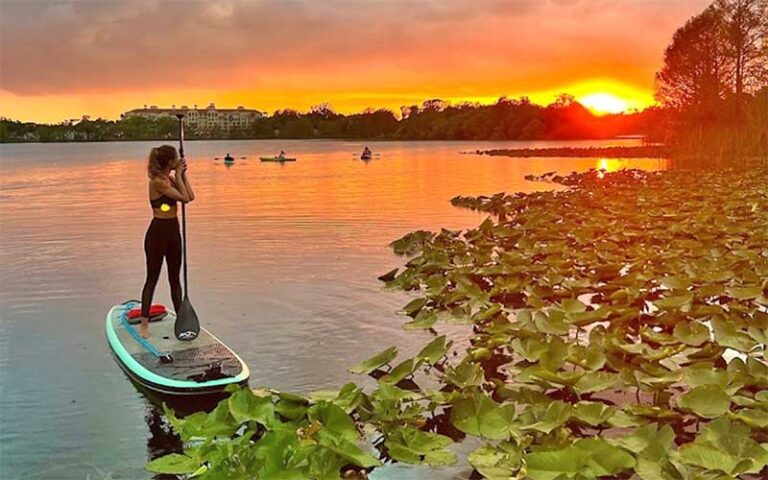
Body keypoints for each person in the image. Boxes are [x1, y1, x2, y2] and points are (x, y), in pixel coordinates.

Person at [139, 145, 195, 338]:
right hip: (157, 234)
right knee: (152, 279)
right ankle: (144, 324)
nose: (179, 161)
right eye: (176, 159)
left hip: (173, 232)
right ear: (170, 162)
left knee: (175, 279)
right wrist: (179, 175)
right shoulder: (157, 182)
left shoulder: (169, 179)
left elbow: (191, 196)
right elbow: (184, 198)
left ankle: (181, 320)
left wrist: (183, 176)